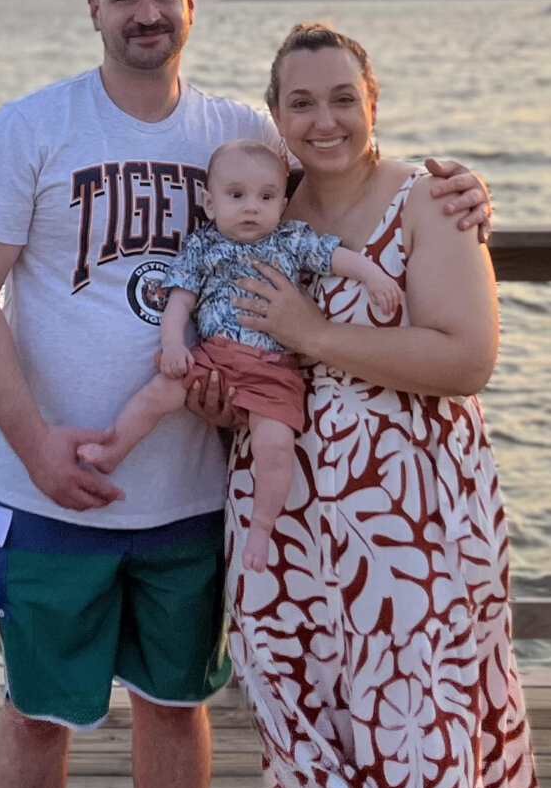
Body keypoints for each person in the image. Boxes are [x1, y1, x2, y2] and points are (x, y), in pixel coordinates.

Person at [0, 0, 491, 788]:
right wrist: (32, 441)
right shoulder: (31, 128)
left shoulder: (236, 131)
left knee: (176, 703)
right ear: (94, 9)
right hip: (51, 484)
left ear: (192, 5)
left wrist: (458, 190)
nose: (146, 13)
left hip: (193, 491)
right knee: (34, 711)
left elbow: (346, 169)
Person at [219, 21, 548, 788]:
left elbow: (468, 358)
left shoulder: (430, 201)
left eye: (340, 99)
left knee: (420, 739)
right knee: (312, 735)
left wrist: (314, 335)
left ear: (373, 104)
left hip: (410, 526)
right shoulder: (262, 205)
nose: (322, 120)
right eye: (300, 102)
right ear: (276, 113)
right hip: (284, 524)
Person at [76, 136, 401, 574]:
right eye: (236, 196)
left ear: (282, 203)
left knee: (275, 444)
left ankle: (262, 528)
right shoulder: (203, 246)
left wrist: (373, 276)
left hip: (274, 370)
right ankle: (114, 448)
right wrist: (173, 344)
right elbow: (180, 302)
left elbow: (335, 257)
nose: (252, 207)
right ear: (209, 203)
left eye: (266, 197)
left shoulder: (291, 240)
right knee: (161, 392)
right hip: (215, 357)